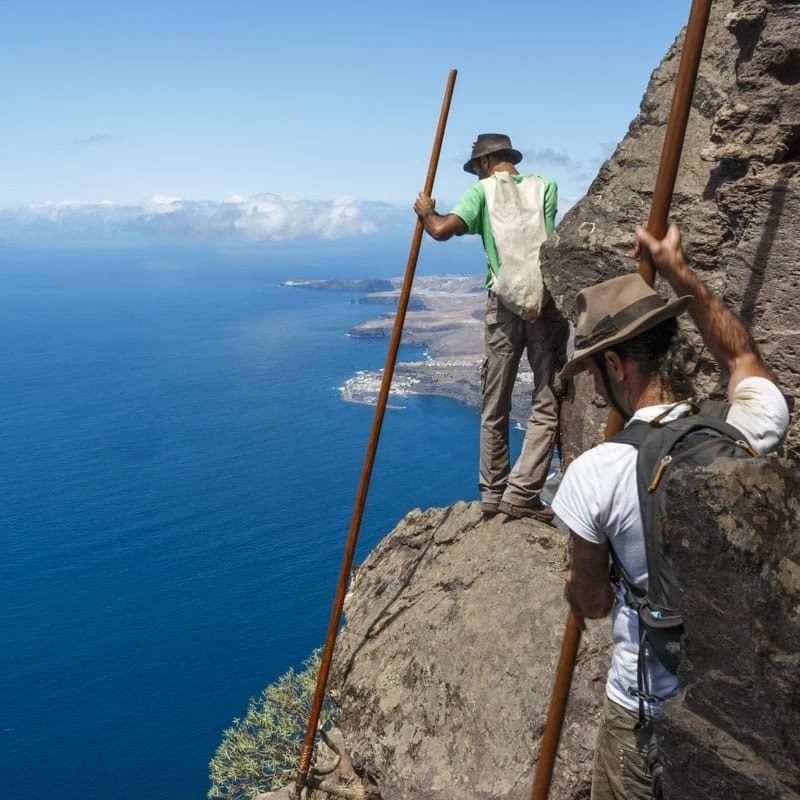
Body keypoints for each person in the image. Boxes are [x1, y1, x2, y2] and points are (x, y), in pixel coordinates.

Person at [550, 223, 790, 799]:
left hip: (645, 710)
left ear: (614, 363)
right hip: (741, 715)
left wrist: (576, 585)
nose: (593, 385)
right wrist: (678, 270)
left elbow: (594, 603)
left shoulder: (595, 474)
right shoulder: (747, 429)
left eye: (591, 371)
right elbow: (740, 354)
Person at [414, 133, 569, 523]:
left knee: (494, 401)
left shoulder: (481, 192)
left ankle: (494, 490)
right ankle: (523, 491)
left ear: (484, 163)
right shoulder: (545, 186)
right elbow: (544, 242)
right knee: (547, 397)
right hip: (544, 302)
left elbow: (442, 229)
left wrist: (425, 211)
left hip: (503, 306)